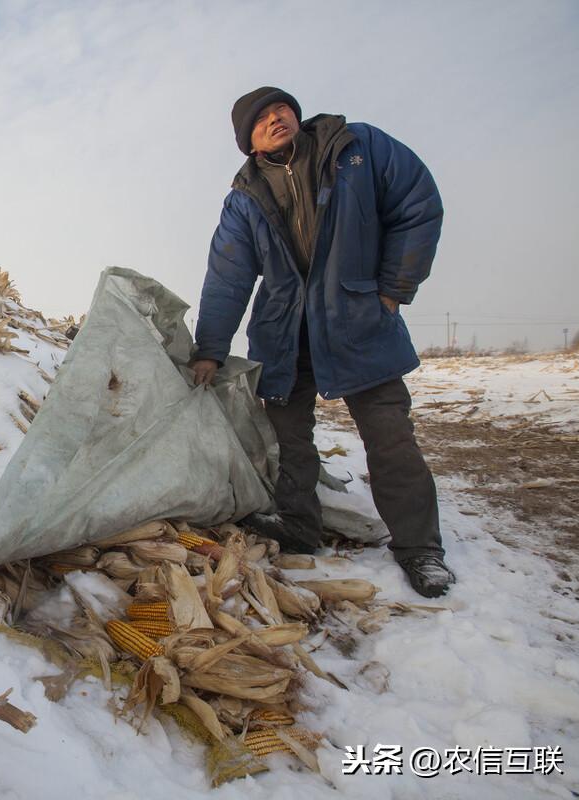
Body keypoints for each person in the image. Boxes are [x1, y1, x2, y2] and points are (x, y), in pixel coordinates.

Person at [191, 86, 455, 598]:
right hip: (285, 335)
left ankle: (420, 548)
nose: (276, 118)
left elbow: (418, 204)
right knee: (289, 442)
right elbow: (227, 277)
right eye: (261, 119)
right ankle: (299, 528)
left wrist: (393, 291)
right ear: (248, 142)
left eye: (281, 109)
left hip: (361, 324)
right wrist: (209, 350)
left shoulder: (356, 149)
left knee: (390, 438)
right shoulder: (243, 199)